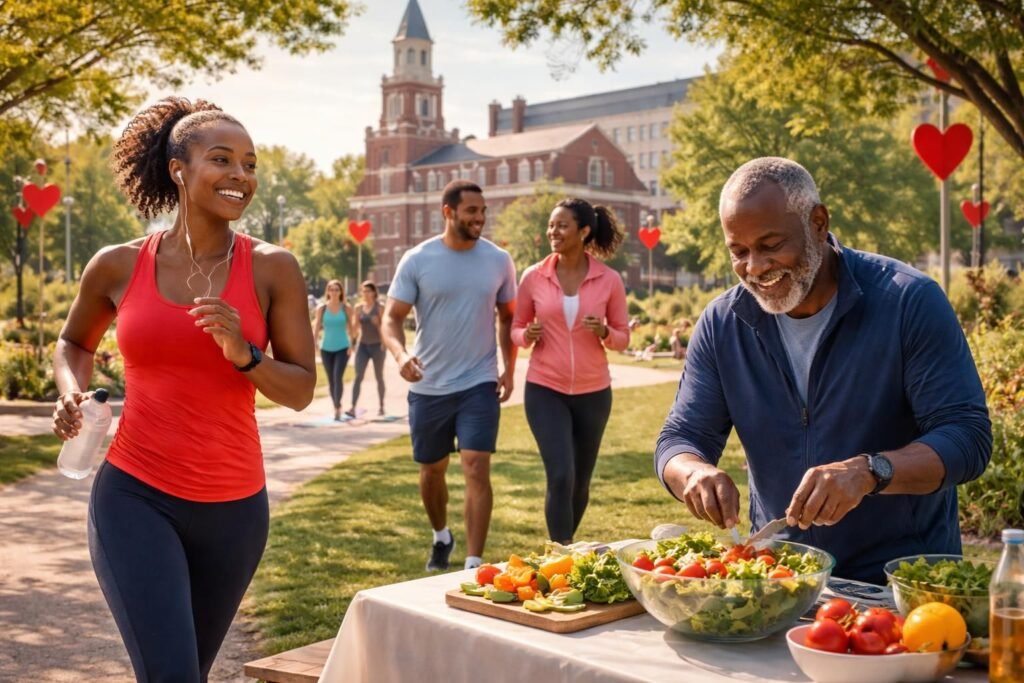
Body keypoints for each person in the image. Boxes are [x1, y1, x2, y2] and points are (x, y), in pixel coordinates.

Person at [51, 96, 316, 681]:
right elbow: (73, 343)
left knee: (184, 672)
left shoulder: (273, 268)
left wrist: (246, 355)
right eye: (222, 160)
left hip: (236, 510)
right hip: (135, 496)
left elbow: (300, 389)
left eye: (250, 164)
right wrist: (71, 391)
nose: (240, 175)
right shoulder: (117, 265)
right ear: (179, 170)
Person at [655, 157, 991, 584]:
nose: (755, 268)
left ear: (817, 222)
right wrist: (693, 472)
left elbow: (966, 437)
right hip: (781, 577)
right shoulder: (724, 324)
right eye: (739, 252)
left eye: (771, 245)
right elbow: (680, 438)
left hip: (903, 580)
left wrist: (870, 471)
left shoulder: (908, 301)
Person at [382, 180, 516, 572]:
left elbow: (508, 317)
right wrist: (401, 355)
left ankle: (473, 562)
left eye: (483, 211)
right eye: (472, 210)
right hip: (428, 384)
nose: (480, 218)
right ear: (448, 212)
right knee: (431, 471)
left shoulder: (499, 260)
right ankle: (441, 535)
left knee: (476, 465)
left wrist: (509, 368)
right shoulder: (418, 260)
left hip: (479, 382)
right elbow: (391, 319)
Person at [512, 198, 629, 543]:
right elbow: (515, 328)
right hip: (545, 388)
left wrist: (604, 332)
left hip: (594, 393)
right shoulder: (534, 276)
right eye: (551, 225)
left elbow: (623, 337)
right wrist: (526, 335)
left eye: (562, 225)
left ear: (584, 231)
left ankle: (565, 549)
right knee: (561, 474)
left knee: (579, 481)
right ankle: (561, 552)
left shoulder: (609, 280)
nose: (553, 232)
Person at [313, 279, 355, 421]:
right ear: (328, 292)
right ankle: (336, 405)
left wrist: (352, 344)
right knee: (331, 379)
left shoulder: (346, 308)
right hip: (326, 348)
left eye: (337, 289)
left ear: (341, 292)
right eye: (331, 289)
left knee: (337, 377)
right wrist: (315, 342)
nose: (334, 292)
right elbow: (317, 326)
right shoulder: (322, 308)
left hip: (343, 347)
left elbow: (351, 328)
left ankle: (337, 407)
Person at [346, 280, 387, 418]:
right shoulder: (358, 308)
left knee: (379, 376)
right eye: (363, 291)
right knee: (358, 376)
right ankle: (352, 407)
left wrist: (378, 325)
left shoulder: (380, 307)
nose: (365, 293)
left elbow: (386, 328)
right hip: (362, 345)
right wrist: (351, 343)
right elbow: (355, 329)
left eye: (368, 291)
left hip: (378, 346)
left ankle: (381, 406)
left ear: (374, 292)